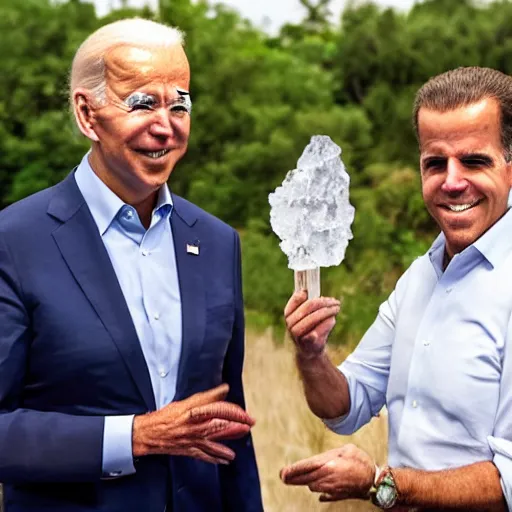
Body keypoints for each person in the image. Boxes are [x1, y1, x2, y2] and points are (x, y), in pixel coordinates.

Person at [0, 18, 262, 512]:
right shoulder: (14, 242)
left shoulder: (217, 241)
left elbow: (230, 427)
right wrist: (136, 436)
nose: (165, 125)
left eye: (179, 103)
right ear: (87, 114)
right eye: (142, 102)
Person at [280, 67, 512, 511]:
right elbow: (347, 405)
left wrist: (379, 484)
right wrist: (310, 354)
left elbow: (507, 483)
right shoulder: (422, 276)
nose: (452, 181)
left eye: (475, 160)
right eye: (435, 163)